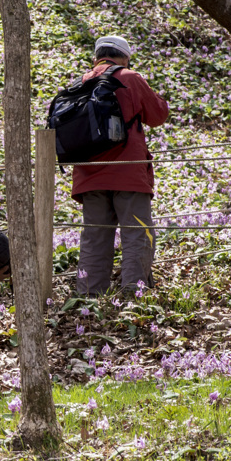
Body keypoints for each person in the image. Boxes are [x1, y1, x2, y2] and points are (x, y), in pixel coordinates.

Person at [72, 35, 169, 296]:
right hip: (129, 173)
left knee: (95, 238)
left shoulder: (80, 82)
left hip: (89, 175)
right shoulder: (130, 78)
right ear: (125, 57)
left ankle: (89, 298)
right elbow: (158, 115)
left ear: (96, 58)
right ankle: (133, 296)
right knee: (137, 234)